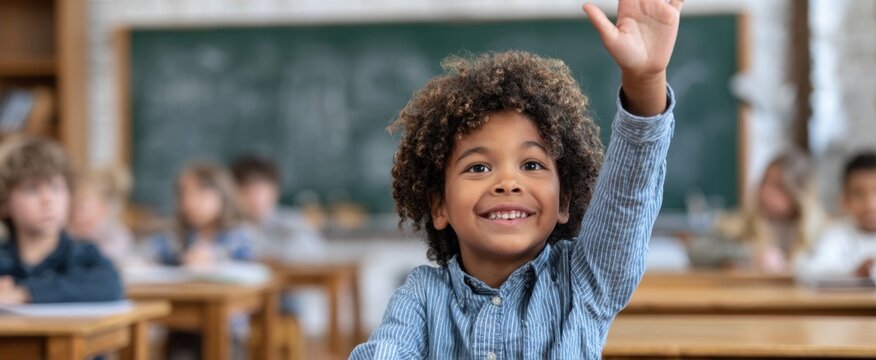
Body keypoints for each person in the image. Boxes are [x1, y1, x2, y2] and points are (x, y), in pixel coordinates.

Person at [350, 0, 682, 358]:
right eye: (478, 168)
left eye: (532, 165)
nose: (508, 182)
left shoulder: (585, 281)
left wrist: (645, 80)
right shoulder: (421, 295)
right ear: (439, 205)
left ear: (564, 202)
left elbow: (626, 197)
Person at [0, 135, 123, 304]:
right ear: (5, 202)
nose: (47, 199)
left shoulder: (82, 254)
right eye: (31, 189)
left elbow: (110, 285)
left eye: (55, 187)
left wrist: (24, 293)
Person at [148, 161, 256, 267]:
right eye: (183, 194)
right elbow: (151, 254)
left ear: (222, 195)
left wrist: (214, 259)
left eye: (199, 193)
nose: (189, 202)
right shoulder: (177, 235)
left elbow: (247, 262)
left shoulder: (240, 235)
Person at [231, 154, 324, 262]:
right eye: (246, 192)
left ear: (276, 191)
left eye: (260, 191)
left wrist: (267, 257)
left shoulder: (291, 221)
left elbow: (314, 250)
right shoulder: (227, 225)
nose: (254, 199)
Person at [797, 151, 876, 278]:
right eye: (858, 193)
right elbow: (809, 270)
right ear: (844, 199)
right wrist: (853, 273)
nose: (870, 204)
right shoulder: (836, 235)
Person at [67, 166, 135, 264]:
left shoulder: (116, 236)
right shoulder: (66, 233)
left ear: (103, 207)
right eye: (72, 204)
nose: (73, 211)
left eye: (80, 206)